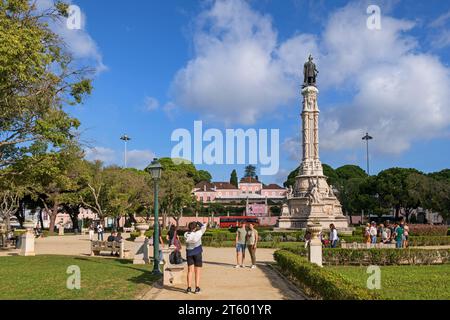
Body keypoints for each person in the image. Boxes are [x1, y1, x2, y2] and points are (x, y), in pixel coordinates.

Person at [184, 221, 207, 294]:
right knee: (197, 271)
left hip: (189, 253)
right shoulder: (198, 233)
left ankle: (189, 288)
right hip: (197, 253)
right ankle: (197, 288)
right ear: (195, 228)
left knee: (190, 271)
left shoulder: (186, 234)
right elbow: (203, 227)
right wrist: (199, 223)